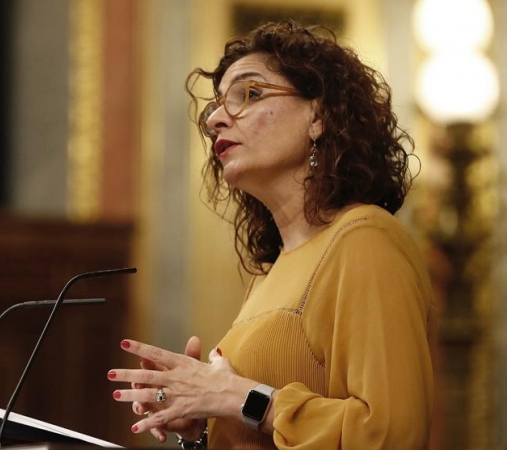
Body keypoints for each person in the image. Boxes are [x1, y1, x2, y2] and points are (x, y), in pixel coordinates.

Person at [107, 20, 435, 449]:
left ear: (318, 116)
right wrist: (201, 426)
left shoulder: (364, 240)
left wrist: (241, 398)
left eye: (249, 94)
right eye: (216, 108)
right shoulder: (270, 273)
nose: (216, 121)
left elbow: (392, 434)